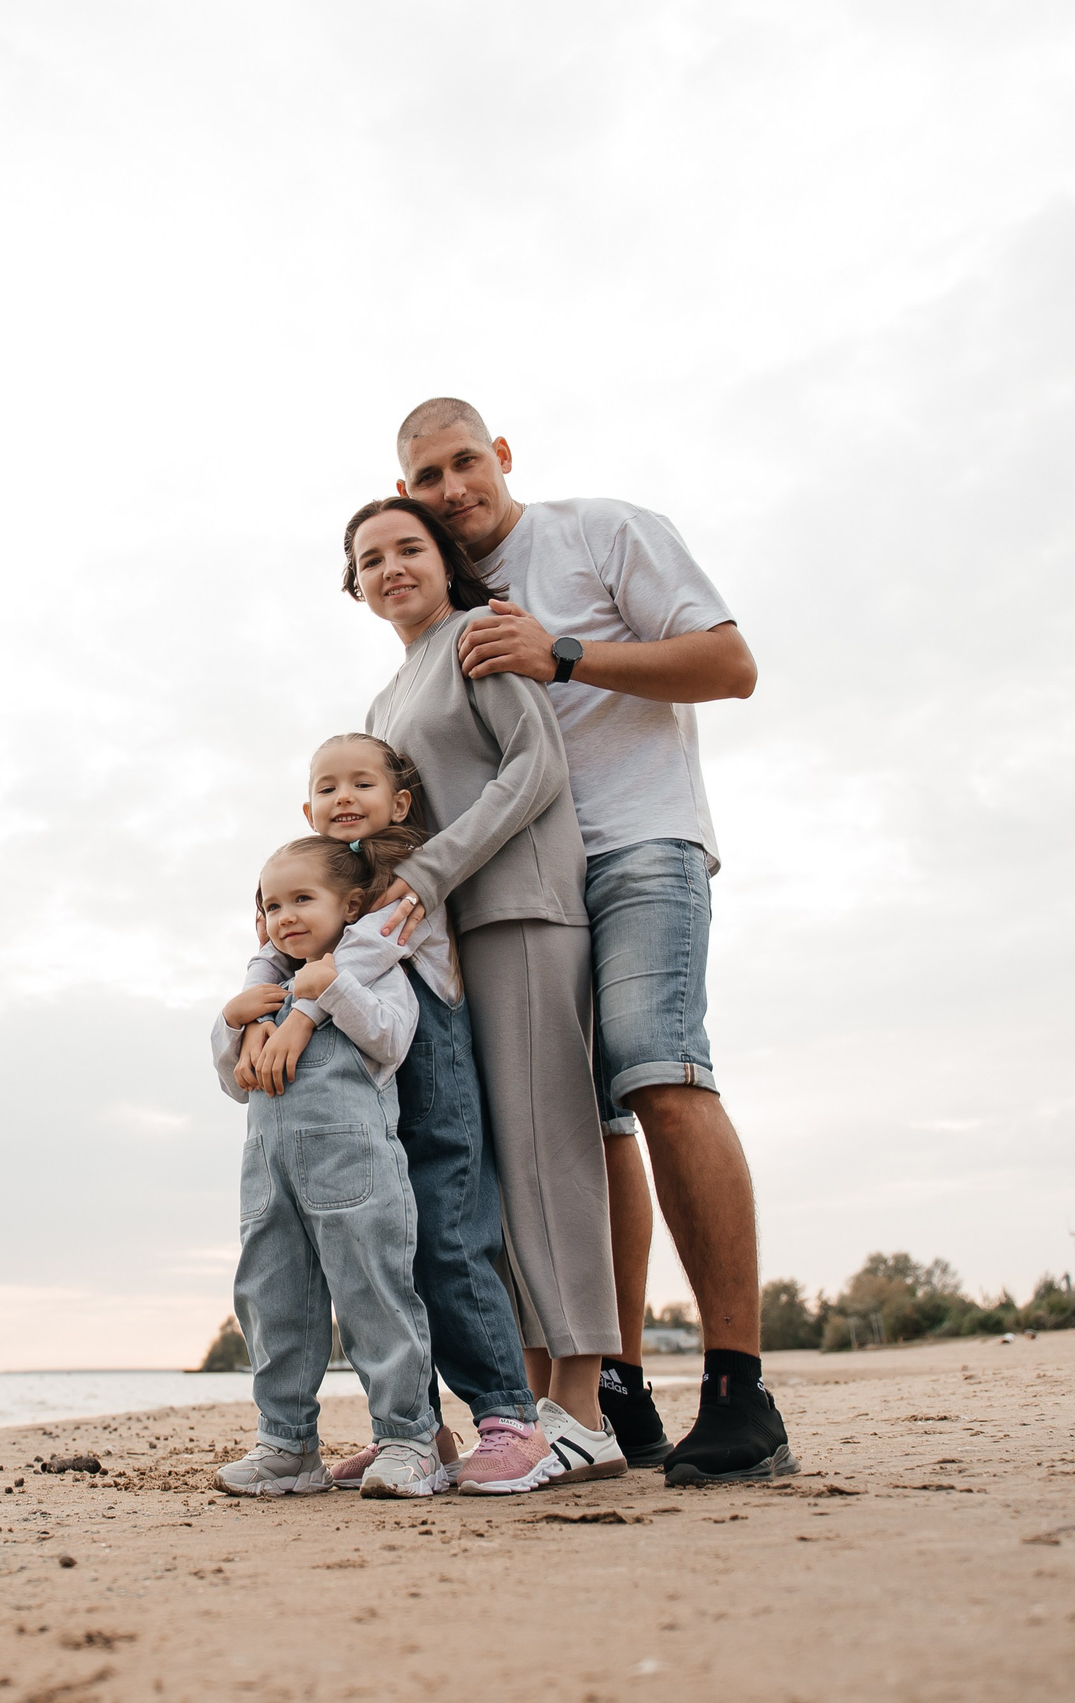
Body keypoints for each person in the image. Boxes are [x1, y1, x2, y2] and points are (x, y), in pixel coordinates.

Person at [394, 396, 796, 1484]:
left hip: (643, 842)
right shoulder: (449, 606)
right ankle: (607, 1380)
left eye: (463, 462)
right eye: (426, 478)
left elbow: (730, 663)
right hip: (534, 886)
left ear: (502, 455)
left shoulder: (602, 532)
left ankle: (738, 1385)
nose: (451, 490)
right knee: (577, 1122)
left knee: (657, 1067)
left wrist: (562, 652)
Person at [346, 495, 631, 1489]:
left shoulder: (474, 634)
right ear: (355, 584)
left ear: (444, 557)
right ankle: (503, 1410)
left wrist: (430, 876)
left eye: (408, 547)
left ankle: (587, 1410)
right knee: (480, 1179)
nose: (391, 566)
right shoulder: (386, 698)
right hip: (451, 944)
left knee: (551, 1156)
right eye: (370, 557)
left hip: (524, 909)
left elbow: (536, 770)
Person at [233, 734, 551, 1495]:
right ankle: (416, 1434)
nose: (343, 798)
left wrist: (298, 1011)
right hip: (352, 1089)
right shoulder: (317, 883)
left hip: (425, 1052)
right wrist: (248, 1014)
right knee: (380, 1251)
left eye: (361, 784)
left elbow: (357, 958)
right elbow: (273, 946)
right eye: (327, 786)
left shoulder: (405, 875)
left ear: (399, 801)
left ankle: (506, 1416)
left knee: (445, 1234)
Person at [211, 836, 440, 1498]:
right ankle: (286, 1444)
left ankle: (408, 1437)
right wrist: (231, 1023)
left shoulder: (370, 971)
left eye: (302, 899)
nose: (285, 916)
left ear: (351, 905)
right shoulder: (265, 992)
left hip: (356, 1171)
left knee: (375, 1297)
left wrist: (330, 989)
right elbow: (235, 1085)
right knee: (271, 1302)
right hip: (269, 1177)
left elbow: (392, 1039)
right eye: (272, 905)